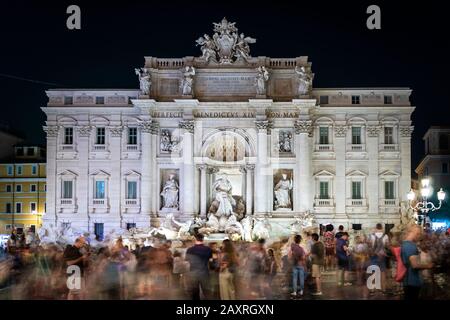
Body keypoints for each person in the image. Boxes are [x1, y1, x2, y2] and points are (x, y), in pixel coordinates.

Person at [401, 225, 433, 300]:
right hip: (413, 281)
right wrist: (428, 266)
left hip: (407, 280)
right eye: (418, 234)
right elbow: (415, 265)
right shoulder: (411, 246)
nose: (419, 236)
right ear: (412, 232)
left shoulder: (405, 244)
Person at [185, 233, 212, 300]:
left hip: (193, 272)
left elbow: (187, 260)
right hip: (204, 272)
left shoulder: (190, 250)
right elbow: (210, 260)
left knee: (195, 293)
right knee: (206, 292)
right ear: (203, 239)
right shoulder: (208, 249)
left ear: (195, 239)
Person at [369, 223, 390, 292]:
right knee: (383, 272)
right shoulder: (385, 236)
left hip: (374, 255)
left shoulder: (371, 236)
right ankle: (383, 288)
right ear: (382, 228)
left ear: (376, 228)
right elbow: (387, 246)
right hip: (382, 256)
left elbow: (369, 246)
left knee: (373, 272)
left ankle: (372, 289)